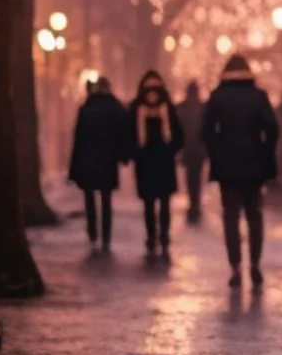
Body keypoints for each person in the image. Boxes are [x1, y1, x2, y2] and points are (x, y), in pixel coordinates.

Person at [204, 54, 279, 288]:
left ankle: (235, 266)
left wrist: (217, 153)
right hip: (254, 166)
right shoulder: (259, 96)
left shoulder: (217, 97)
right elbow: (273, 129)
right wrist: (264, 153)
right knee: (255, 216)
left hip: (227, 167)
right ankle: (255, 265)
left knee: (231, 218)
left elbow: (206, 131)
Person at [68, 75, 131, 252]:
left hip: (88, 158)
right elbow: (123, 135)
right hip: (108, 159)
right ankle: (106, 234)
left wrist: (74, 164)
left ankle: (92, 230)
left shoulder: (87, 108)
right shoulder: (116, 108)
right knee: (106, 198)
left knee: (89, 197)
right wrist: (124, 156)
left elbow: (78, 138)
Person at [130, 70, 185, 258]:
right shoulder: (136, 109)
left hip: (163, 163)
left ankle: (163, 235)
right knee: (149, 204)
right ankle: (152, 235)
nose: (152, 96)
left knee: (164, 203)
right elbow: (129, 135)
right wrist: (137, 153)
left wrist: (170, 150)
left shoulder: (168, 109)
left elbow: (179, 137)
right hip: (146, 164)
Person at [176, 80, 207, 224]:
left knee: (190, 179)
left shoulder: (181, 107)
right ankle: (195, 205)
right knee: (197, 179)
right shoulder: (203, 108)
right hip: (199, 150)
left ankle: (193, 205)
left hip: (188, 149)